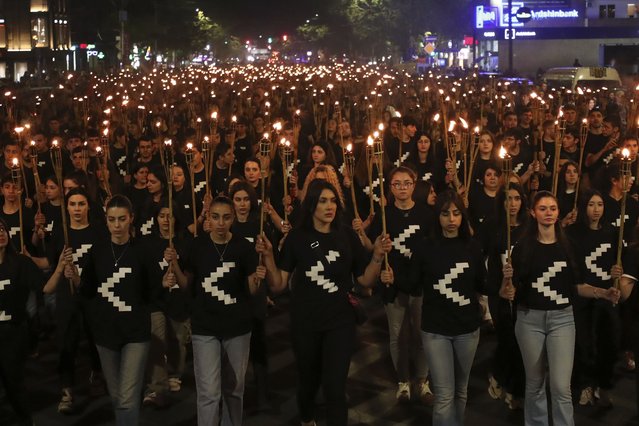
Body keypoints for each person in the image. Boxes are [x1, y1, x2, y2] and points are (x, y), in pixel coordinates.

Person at [257, 179, 390, 426]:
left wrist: (378, 258)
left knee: (335, 387)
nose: (330, 207)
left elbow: (365, 280)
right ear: (311, 206)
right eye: (323, 201)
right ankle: (307, 417)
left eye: (333, 201)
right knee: (309, 381)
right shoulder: (297, 238)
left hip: (340, 322)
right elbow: (278, 285)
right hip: (305, 322)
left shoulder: (347, 235)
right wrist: (268, 258)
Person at [500, 191, 620, 426]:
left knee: (560, 386)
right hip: (529, 319)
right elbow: (508, 292)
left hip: (562, 319)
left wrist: (603, 292)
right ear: (533, 213)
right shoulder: (522, 247)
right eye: (543, 209)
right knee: (534, 383)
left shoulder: (569, 246)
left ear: (558, 212)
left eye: (552, 208)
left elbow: (578, 286)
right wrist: (506, 282)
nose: (548, 213)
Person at [167, 195, 264, 425]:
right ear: (209, 217)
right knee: (209, 392)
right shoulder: (197, 245)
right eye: (216, 217)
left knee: (234, 389)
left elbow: (251, 289)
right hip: (205, 327)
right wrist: (175, 266)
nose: (221, 223)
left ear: (233, 219)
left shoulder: (244, 247)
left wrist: (259, 278)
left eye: (226, 217)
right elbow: (186, 286)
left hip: (238, 327)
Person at [395, 190, 485, 426]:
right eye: (446, 214)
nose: (452, 219)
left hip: (467, 327)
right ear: (438, 217)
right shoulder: (425, 247)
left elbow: (482, 283)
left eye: (456, 214)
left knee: (461, 390)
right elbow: (412, 285)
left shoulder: (472, 247)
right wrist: (390, 274)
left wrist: (505, 278)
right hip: (436, 329)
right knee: (444, 394)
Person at [71, 195, 152, 426]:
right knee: (118, 397)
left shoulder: (142, 251)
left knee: (126, 397)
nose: (117, 225)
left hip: (135, 332)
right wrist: (75, 279)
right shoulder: (97, 251)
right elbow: (87, 290)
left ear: (131, 219)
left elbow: (151, 292)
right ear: (106, 221)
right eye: (112, 219)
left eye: (122, 219)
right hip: (106, 333)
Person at [358, 166, 434, 403]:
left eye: (406, 183)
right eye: (396, 184)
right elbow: (373, 249)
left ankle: (422, 380)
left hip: (420, 284)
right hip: (393, 283)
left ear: (414, 185)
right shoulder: (384, 215)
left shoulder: (426, 214)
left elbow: (433, 248)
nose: (402, 188)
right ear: (390, 188)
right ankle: (403, 381)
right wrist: (363, 235)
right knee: (397, 334)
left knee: (423, 334)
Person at [43, 188, 107, 413]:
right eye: (72, 204)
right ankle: (67, 389)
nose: (77, 209)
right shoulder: (61, 232)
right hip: (66, 295)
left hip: (92, 294)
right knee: (67, 342)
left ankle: (97, 374)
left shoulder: (99, 231)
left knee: (94, 338)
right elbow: (52, 263)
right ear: (66, 207)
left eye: (81, 204)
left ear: (88, 206)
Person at [567, 189, 620, 407]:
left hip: (606, 296)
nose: (596, 209)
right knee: (583, 343)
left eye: (599, 204)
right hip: (581, 295)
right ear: (583, 207)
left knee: (609, 341)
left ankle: (604, 384)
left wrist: (618, 271)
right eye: (591, 204)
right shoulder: (572, 234)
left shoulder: (611, 232)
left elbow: (618, 260)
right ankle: (585, 384)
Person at [0, 216, 43, 426]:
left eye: (2, 229)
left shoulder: (20, 262)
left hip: (13, 332)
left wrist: (61, 268)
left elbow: (44, 288)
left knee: (13, 382)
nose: (0, 233)